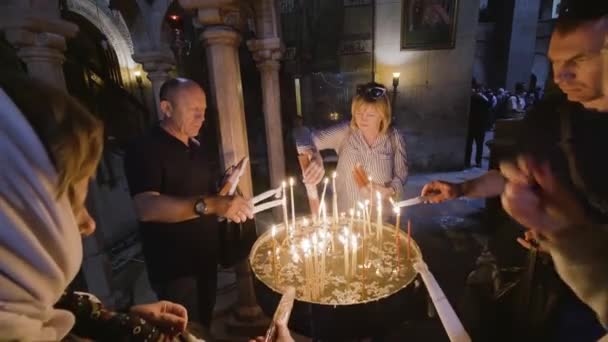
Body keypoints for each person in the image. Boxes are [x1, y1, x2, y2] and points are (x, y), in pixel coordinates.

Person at [422, 2, 608, 338]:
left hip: (581, 301)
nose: (560, 76)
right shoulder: (551, 115)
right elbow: (512, 175)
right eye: (555, 63)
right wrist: (462, 189)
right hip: (513, 266)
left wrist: (559, 236)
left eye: (577, 61)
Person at [0, 74, 189, 340]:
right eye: (74, 206)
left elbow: (71, 319)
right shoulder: (146, 149)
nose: (89, 224)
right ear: (17, 219)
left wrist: (122, 322)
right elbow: (148, 207)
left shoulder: (39, 309)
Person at [124, 78, 254, 329]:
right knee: (185, 329)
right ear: (167, 108)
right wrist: (216, 205)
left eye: (203, 110)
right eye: (193, 109)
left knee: (203, 321)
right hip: (175, 266)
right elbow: (147, 208)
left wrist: (226, 188)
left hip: (205, 256)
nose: (201, 117)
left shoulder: (196, 147)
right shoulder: (145, 148)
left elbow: (203, 197)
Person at [294, 82, 408, 211]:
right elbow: (301, 133)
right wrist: (314, 153)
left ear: (383, 116)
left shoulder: (394, 137)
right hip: (347, 219)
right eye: (358, 113)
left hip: (380, 221)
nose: (363, 119)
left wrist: (390, 190)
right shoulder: (346, 133)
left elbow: (401, 175)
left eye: (370, 115)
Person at [465, 87, 491, 168]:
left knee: (469, 145)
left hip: (471, 124)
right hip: (480, 125)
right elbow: (489, 108)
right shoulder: (484, 99)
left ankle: (467, 162)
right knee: (480, 145)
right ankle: (478, 162)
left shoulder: (470, 98)